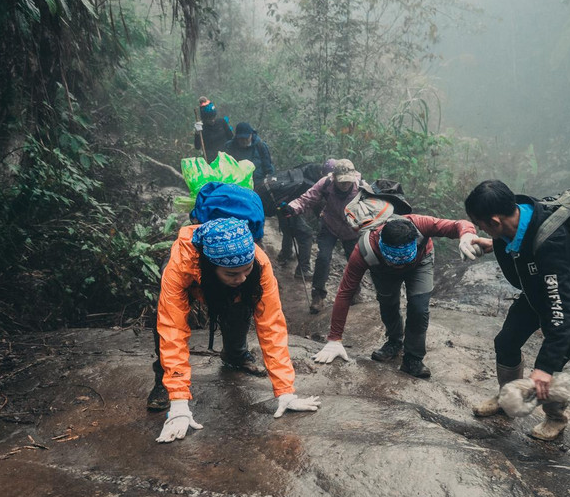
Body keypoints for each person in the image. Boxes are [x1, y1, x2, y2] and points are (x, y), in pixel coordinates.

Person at [463, 179, 570, 440]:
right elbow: (518, 241)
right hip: (538, 291)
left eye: (482, 224)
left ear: (496, 221)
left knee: (550, 368)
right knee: (506, 341)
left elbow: (561, 312)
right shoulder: (516, 219)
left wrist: (543, 367)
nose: (480, 228)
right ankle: (507, 397)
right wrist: (493, 243)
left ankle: (556, 418)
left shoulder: (551, 244)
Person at [154, 217, 321, 442]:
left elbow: (271, 325)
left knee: (239, 310)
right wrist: (179, 402)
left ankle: (234, 354)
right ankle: (162, 380)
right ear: (211, 267)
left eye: (246, 270)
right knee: (162, 327)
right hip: (193, 279)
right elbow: (172, 329)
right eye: (232, 274)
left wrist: (285, 391)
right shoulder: (180, 265)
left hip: (222, 286)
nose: (241, 278)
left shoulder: (259, 263)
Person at [311, 214, 483, 379]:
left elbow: (458, 224)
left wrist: (467, 235)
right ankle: (394, 342)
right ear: (381, 244)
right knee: (388, 303)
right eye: (395, 260)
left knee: (419, 307)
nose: (400, 266)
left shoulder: (421, 224)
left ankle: (413, 359)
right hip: (382, 268)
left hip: (420, 263)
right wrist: (334, 339)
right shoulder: (364, 250)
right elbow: (345, 293)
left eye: (404, 259)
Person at [281, 158, 363, 313]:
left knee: (355, 262)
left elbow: (375, 207)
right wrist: (292, 208)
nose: (345, 185)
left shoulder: (361, 188)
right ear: (334, 178)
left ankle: (354, 293)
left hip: (351, 229)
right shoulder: (326, 183)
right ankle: (318, 296)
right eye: (342, 182)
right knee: (323, 258)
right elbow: (307, 198)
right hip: (329, 226)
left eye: (348, 182)